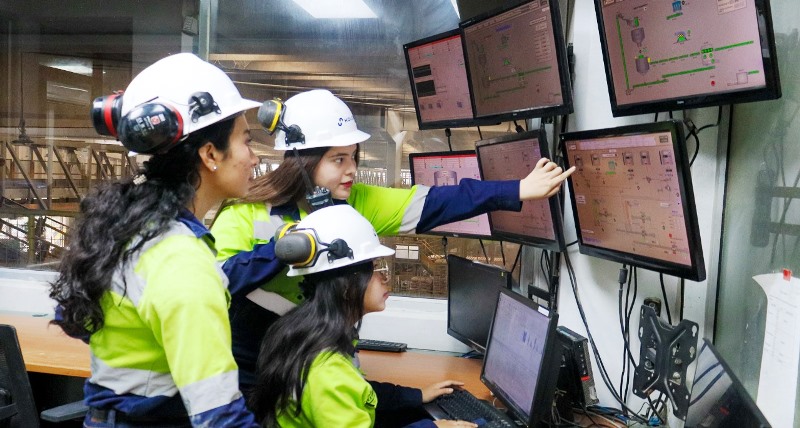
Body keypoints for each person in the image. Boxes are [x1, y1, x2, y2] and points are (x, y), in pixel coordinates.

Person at [211, 89, 576, 389]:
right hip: (250, 373)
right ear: (302, 162)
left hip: (316, 368)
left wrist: (518, 189)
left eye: (353, 157)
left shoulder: (356, 202)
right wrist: (285, 248)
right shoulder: (246, 212)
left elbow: (438, 202)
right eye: (338, 160)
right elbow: (215, 286)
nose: (352, 170)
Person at [49, 53, 261, 427]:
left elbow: (74, 317)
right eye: (246, 141)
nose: (255, 157)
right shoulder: (181, 259)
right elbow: (220, 418)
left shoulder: (127, 226)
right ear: (210, 153)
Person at [249, 204, 477, 428]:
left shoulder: (302, 333)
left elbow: (358, 392)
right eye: (376, 270)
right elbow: (342, 387)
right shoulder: (328, 371)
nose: (384, 278)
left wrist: (415, 396)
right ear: (347, 287)